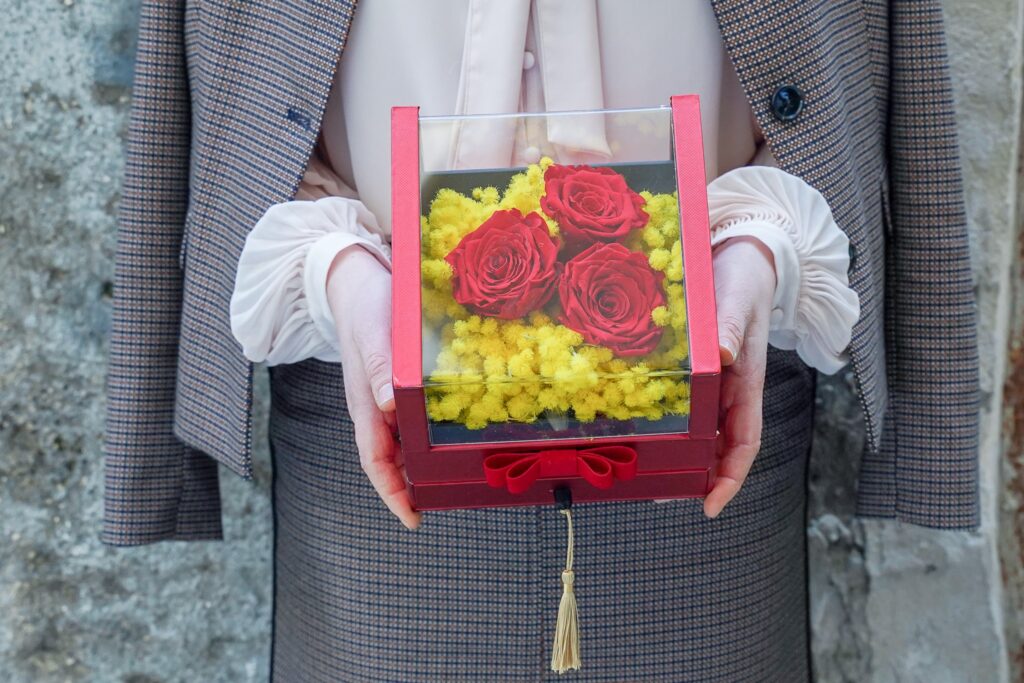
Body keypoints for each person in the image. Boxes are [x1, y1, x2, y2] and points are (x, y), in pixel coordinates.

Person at [101, 2, 981, 681]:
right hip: (365, 468)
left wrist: (759, 252)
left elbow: (838, 77)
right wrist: (333, 268)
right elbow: (241, 101)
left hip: (714, 459)